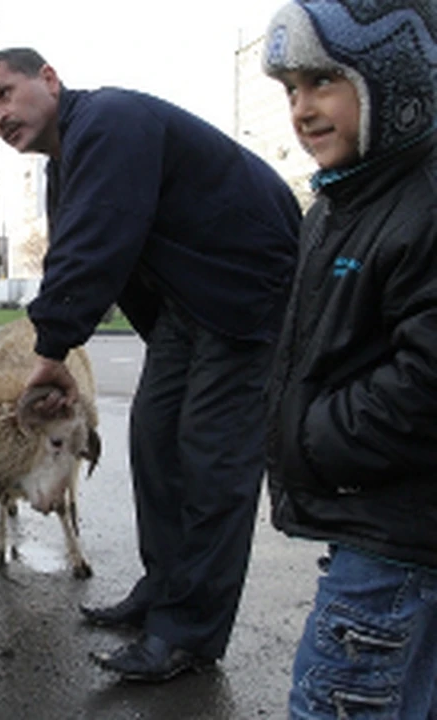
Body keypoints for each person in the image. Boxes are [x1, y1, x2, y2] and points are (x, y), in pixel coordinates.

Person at [0, 48, 301, 682]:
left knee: (210, 458)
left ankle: (188, 635)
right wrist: (63, 340)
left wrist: (51, 351)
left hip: (246, 288)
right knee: (154, 439)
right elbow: (78, 254)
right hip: (190, 305)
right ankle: (165, 590)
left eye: (6, 94)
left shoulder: (110, 122)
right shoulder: (67, 166)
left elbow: (100, 239)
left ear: (49, 80)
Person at [261, 1, 437, 717]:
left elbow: (425, 378)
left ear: (393, 79)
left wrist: (312, 436)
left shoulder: (420, 202)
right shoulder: (348, 200)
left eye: (323, 80)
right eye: (289, 89)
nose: (302, 108)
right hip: (386, 530)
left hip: (394, 539)